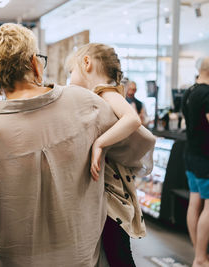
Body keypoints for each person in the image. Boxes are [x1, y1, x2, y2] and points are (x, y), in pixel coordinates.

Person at [0, 23, 155, 266]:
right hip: (80, 257)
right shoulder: (86, 103)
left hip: (13, 259)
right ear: (35, 64)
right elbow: (140, 144)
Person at [66, 43, 154, 266]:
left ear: (86, 63)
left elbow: (132, 119)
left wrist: (100, 144)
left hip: (112, 192)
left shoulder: (105, 91)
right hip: (108, 189)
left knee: (118, 252)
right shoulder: (98, 96)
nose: (70, 77)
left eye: (71, 71)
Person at [182, 56, 209, 267]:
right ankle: (201, 258)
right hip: (206, 157)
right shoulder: (207, 93)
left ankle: (198, 254)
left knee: (194, 203)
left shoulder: (189, 91)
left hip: (190, 153)